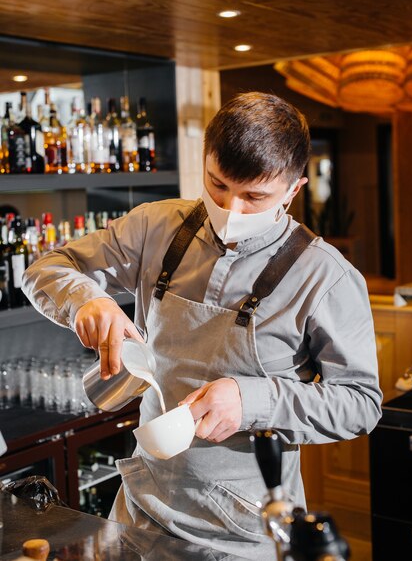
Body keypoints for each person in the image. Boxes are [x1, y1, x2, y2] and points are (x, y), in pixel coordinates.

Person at [22, 92, 382, 557]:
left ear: (293, 190)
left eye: (254, 196)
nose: (231, 209)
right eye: (217, 185)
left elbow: (360, 403)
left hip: (244, 527)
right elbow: (47, 267)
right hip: (140, 506)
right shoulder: (157, 226)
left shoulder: (325, 277)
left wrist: (252, 399)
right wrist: (87, 301)